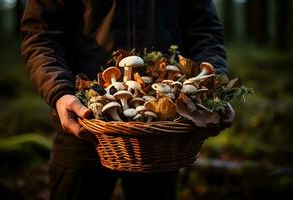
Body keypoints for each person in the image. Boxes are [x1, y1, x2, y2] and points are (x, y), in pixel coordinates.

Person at [20, 0, 234, 199]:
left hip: (161, 133)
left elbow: (205, 32)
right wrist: (59, 91)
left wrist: (213, 90)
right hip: (82, 121)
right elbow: (41, 33)